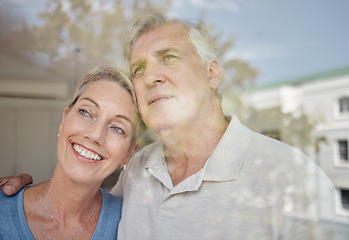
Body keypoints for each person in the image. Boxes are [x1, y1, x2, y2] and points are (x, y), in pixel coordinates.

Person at [2, 10, 349, 240]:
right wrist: (24, 191)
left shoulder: (291, 177)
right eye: (139, 69)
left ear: (212, 73)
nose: (151, 76)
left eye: (169, 57)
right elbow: (80, 200)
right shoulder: (139, 169)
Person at [0, 65, 141, 239]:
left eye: (117, 128)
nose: (95, 135)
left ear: (129, 152)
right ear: (64, 119)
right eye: (85, 112)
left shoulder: (133, 224)